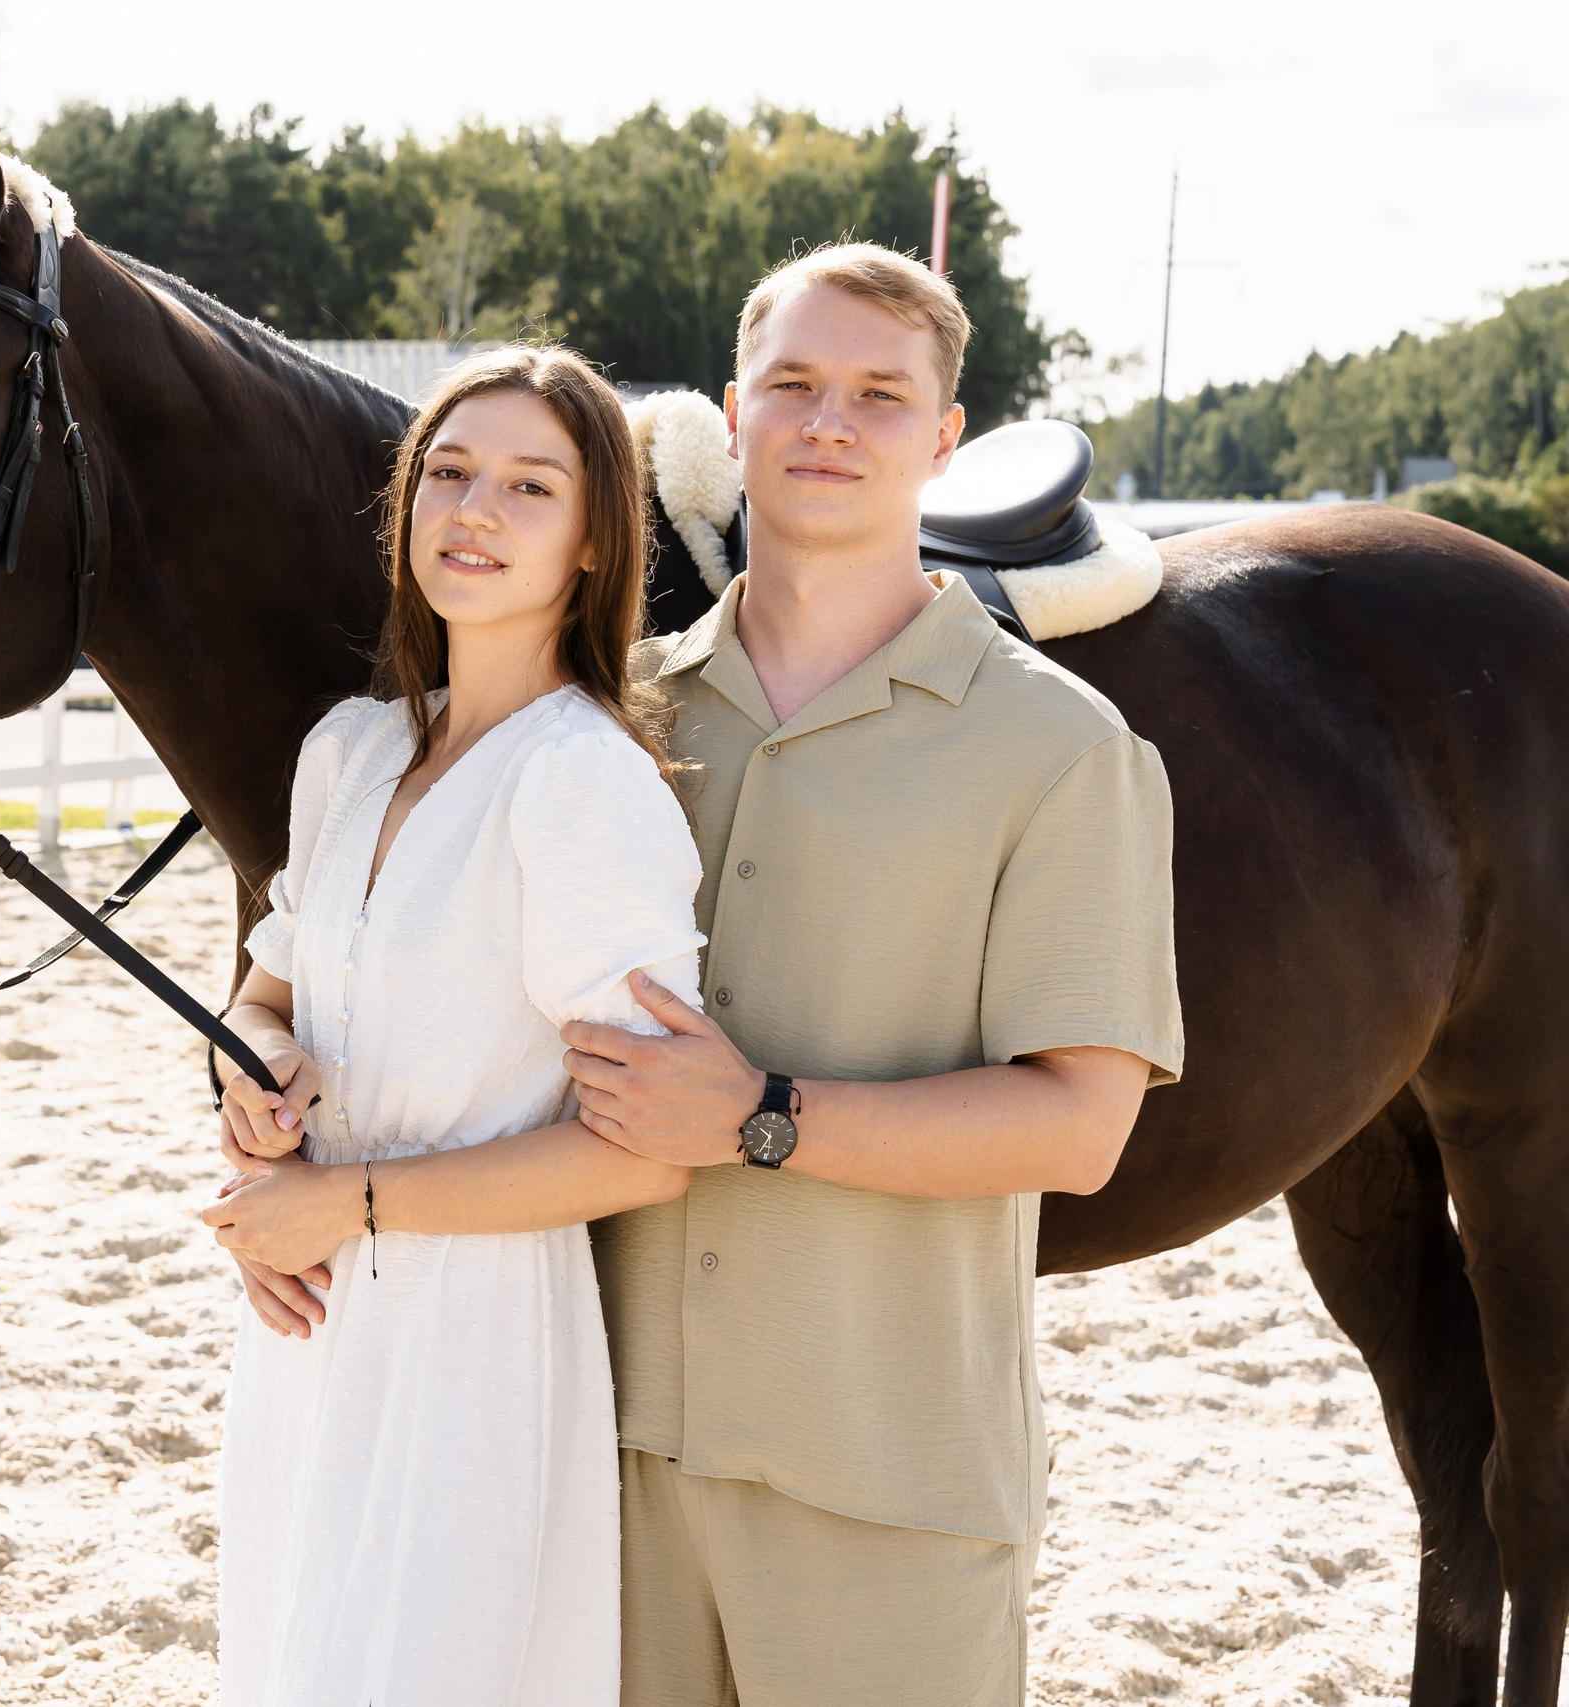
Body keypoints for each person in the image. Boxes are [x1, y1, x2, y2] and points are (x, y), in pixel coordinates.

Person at [227, 243, 1184, 1707]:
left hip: (883, 1470)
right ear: (731, 421)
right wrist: (262, 1093)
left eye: (880, 395)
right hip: (597, 1452)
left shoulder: (1060, 748)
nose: (828, 423)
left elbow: (1080, 1128)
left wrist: (763, 1116)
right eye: (792, 384)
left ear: (945, 438)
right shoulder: (616, 719)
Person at [198, 345, 709, 1707]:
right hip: (305, 1318)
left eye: (530, 486)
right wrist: (252, 1079)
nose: (474, 510)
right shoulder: (351, 752)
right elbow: (266, 994)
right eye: (450, 472)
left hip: (469, 1342)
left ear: (595, 542)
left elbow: (654, 1153)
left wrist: (344, 1202)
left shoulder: (584, 781)